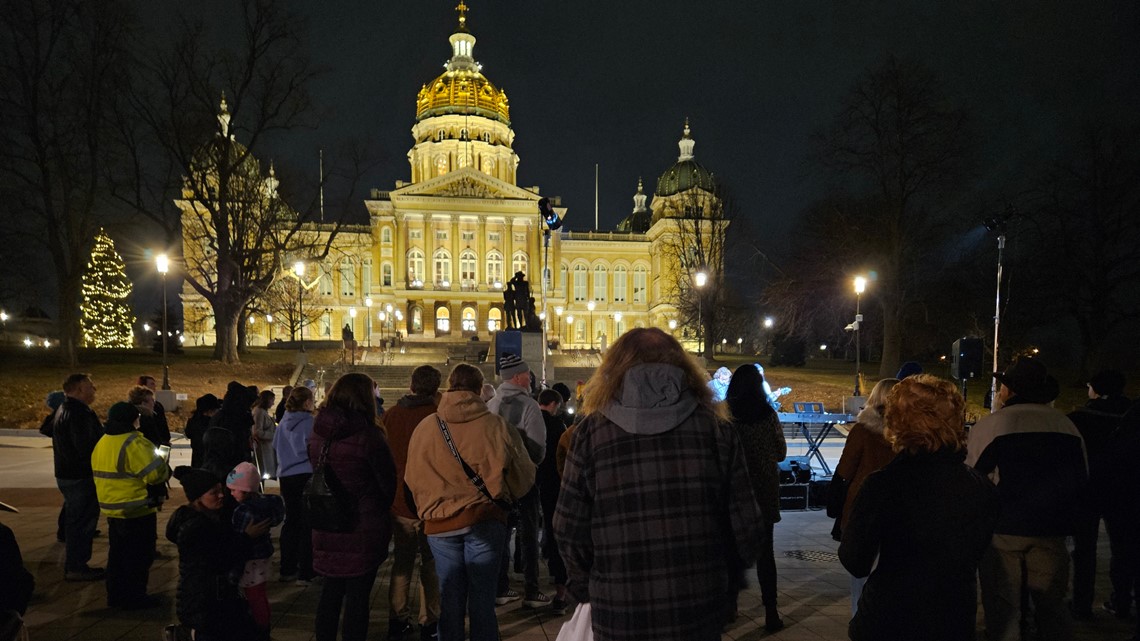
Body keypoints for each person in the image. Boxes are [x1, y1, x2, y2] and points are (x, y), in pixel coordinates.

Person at [553, 328, 763, 641]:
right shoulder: (716, 431)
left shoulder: (589, 435)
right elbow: (748, 528)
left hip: (618, 608)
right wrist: (728, 580)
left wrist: (587, 586)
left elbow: (568, 528)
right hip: (698, 606)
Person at [839, 375, 998, 641]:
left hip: (889, 620)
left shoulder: (884, 484)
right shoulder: (980, 486)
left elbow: (855, 561)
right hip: (952, 620)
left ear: (898, 422)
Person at [405, 363, 537, 641]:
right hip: (484, 518)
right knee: (482, 599)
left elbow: (411, 477)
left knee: (449, 596)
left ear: (450, 386)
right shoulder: (496, 425)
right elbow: (524, 475)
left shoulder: (426, 427)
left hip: (439, 523)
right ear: (479, 390)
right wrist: (504, 494)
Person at [967, 357, 1087, 641]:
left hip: (1003, 529)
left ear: (1009, 391)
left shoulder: (993, 425)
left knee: (1004, 608)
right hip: (1052, 528)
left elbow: (973, 478)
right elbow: (1081, 478)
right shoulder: (1066, 426)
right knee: (1051, 607)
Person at [308, 373, 397, 641]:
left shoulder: (317, 432)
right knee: (358, 597)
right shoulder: (369, 436)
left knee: (330, 593)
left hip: (327, 522)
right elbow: (387, 484)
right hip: (362, 525)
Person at [167, 466, 267, 641]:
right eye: (214, 493)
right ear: (198, 498)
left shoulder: (209, 518)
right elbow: (221, 558)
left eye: (221, 490)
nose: (221, 496)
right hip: (204, 602)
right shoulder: (197, 528)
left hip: (213, 597)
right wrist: (247, 538)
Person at [382, 365, 443, 641]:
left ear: (411, 385)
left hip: (398, 499)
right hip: (430, 499)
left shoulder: (391, 415)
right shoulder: (438, 417)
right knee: (430, 564)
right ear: (436, 388)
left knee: (402, 562)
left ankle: (398, 618)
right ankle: (429, 620)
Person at [91, 401, 172, 609]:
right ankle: (135, 597)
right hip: (136, 508)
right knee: (138, 556)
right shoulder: (134, 443)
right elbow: (155, 474)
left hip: (113, 508)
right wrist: (164, 466)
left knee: (118, 555)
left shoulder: (104, 441)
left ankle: (116, 596)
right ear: (132, 420)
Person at [725, 363, 787, 631]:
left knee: (730, 552)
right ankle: (771, 611)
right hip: (763, 491)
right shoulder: (768, 415)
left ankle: (730, 607)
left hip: (734, 493)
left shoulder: (726, 417)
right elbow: (782, 452)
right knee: (766, 555)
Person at [832, 377, 900, 613]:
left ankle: (860, 624)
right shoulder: (908, 433)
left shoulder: (862, 431)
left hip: (863, 509)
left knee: (860, 577)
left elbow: (845, 470)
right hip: (899, 512)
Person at [1067, 369, 1131, 620]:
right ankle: (1122, 600)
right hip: (1124, 490)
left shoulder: (1080, 418)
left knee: (1084, 550)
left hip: (1087, 489)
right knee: (1123, 548)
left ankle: (1082, 604)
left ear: (1096, 389)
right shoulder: (1131, 415)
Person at [487, 354, 548, 609]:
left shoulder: (490, 404)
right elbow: (538, 448)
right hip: (523, 480)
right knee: (528, 532)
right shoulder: (529, 405)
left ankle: (501, 588)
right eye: (527, 374)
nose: (530, 379)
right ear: (517, 377)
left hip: (498, 481)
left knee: (501, 533)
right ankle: (532, 591)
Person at [52, 373, 105, 582]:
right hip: (79, 475)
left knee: (76, 520)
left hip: (68, 473)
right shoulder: (78, 413)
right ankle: (76, 566)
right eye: (91, 386)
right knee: (81, 522)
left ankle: (76, 564)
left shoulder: (65, 409)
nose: (94, 389)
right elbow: (86, 447)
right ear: (80, 388)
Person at [1095, 401, 1140, 638]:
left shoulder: (1122, 441)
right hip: (1126, 507)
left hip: (1124, 509)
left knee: (1123, 557)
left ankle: (1121, 600)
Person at [226, 462, 286, 641]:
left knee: (255, 596)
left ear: (245, 490)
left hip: (250, 559)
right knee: (259, 592)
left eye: (234, 490)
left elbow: (238, 538)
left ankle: (261, 628)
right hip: (263, 557)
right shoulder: (267, 504)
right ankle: (261, 625)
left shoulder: (244, 511)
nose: (230, 493)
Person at [272, 386, 316, 583]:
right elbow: (312, 448)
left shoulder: (283, 422)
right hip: (305, 474)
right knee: (308, 523)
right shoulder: (309, 423)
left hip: (286, 475)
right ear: (307, 402)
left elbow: (275, 445)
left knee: (291, 521)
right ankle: (306, 570)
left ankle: (287, 567)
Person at [536, 389, 570, 615]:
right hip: (554, 487)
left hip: (531, 483)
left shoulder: (528, 420)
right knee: (557, 534)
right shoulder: (559, 427)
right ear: (555, 404)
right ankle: (561, 591)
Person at [129, 385, 169, 509]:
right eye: (152, 400)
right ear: (143, 402)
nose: (154, 403)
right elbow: (155, 443)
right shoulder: (146, 418)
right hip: (149, 468)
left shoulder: (131, 417)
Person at [185, 394, 222, 469]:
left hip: (196, 457)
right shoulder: (212, 422)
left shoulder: (193, 420)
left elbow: (188, 434)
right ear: (209, 411)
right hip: (210, 460)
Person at [137, 375, 172, 448]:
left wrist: (166, 439)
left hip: (161, 441)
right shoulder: (138, 407)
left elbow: (163, 423)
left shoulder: (158, 405)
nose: (155, 386)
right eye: (152, 384)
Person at [250, 390, 277, 480]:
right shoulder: (259, 412)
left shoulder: (262, 412)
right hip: (263, 448)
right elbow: (257, 431)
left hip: (267, 447)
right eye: (272, 400)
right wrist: (274, 435)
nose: (273, 403)